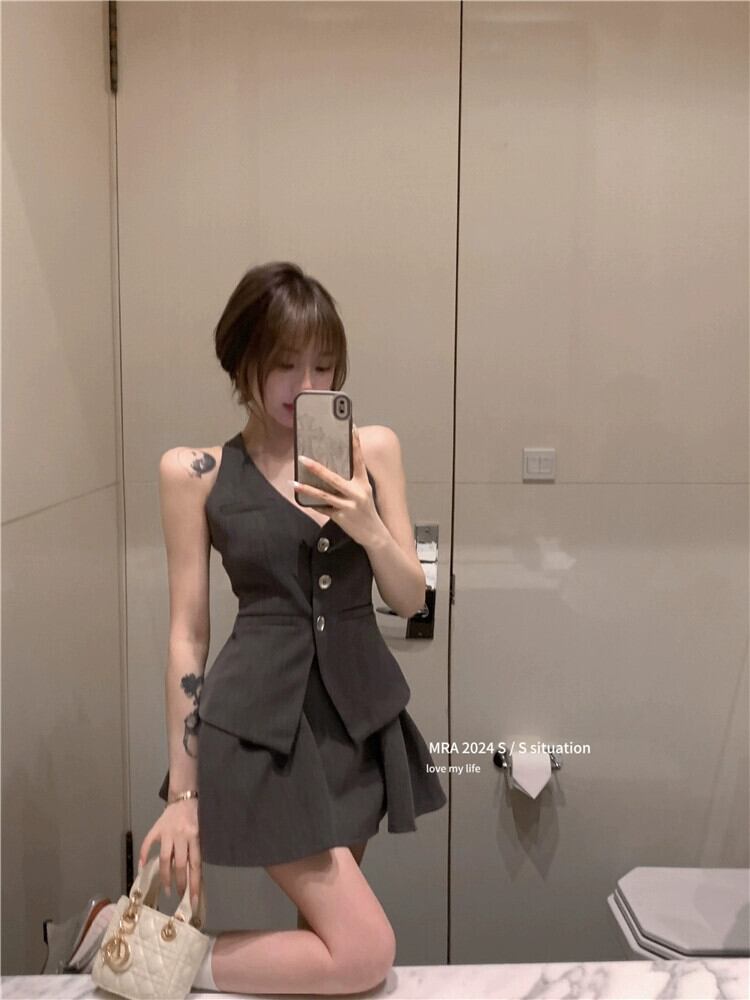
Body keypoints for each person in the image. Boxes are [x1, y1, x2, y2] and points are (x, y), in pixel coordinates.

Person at [134, 261, 447, 995]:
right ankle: (151, 954)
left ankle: (150, 953)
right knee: (363, 951)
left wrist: (368, 525)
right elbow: (187, 634)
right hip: (256, 730)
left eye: (324, 366)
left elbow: (409, 598)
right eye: (284, 364)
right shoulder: (196, 472)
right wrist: (184, 796)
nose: (307, 385)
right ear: (241, 358)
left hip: (356, 723)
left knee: (327, 945)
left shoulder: (374, 449)